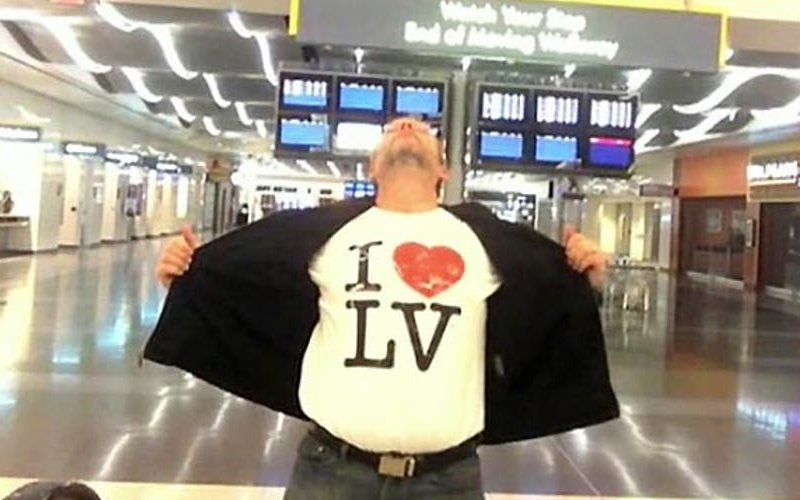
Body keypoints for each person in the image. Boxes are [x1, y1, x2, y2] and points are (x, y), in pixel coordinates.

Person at [147, 118, 617, 499]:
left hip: (446, 480)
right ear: (372, 167)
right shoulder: (322, 237)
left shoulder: (487, 245)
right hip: (332, 473)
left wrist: (584, 279)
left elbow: (545, 318)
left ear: (444, 171)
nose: (408, 125)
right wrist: (186, 274)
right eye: (391, 129)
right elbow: (242, 293)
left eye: (423, 128)